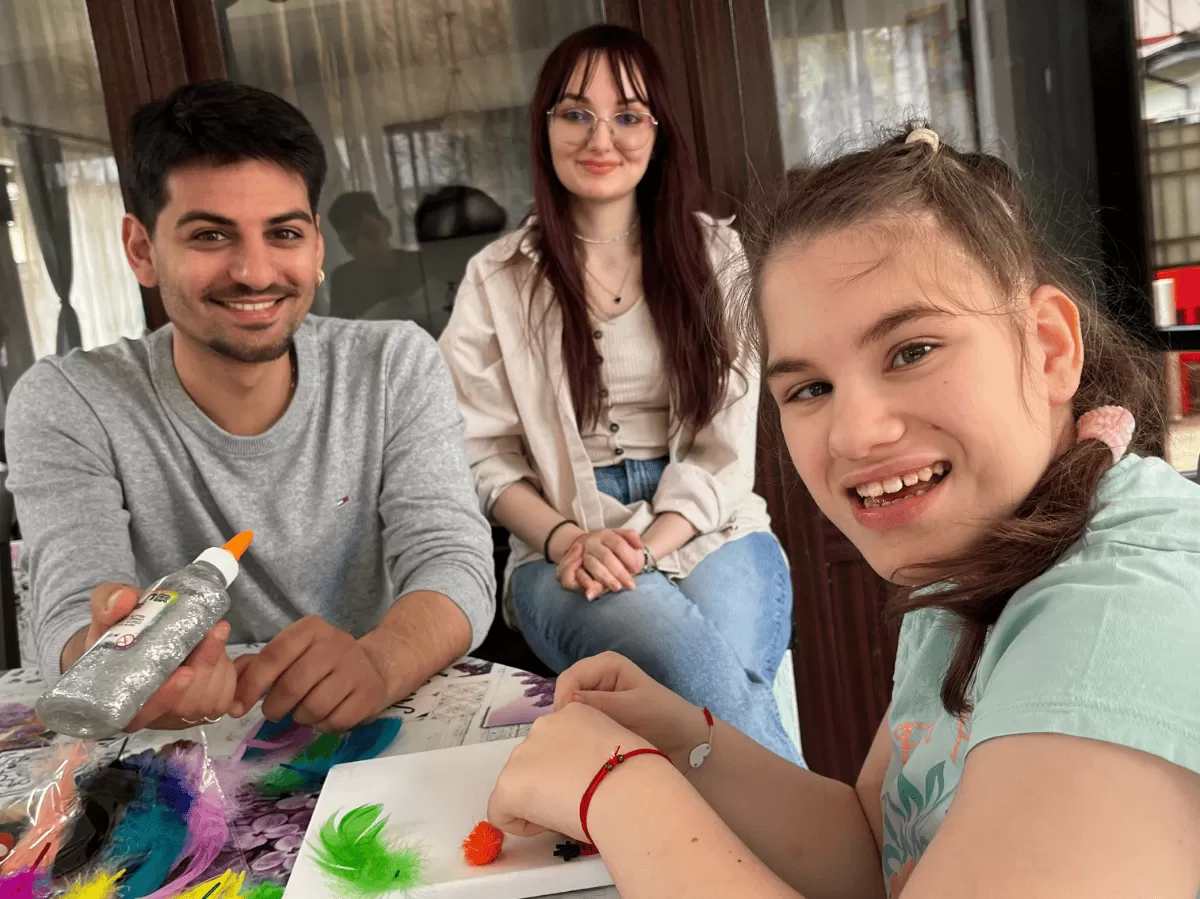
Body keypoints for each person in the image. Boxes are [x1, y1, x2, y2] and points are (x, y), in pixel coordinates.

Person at [484, 128, 1200, 898]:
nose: (856, 433)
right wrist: (683, 735)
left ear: (1052, 348)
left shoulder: (1123, 613)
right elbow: (870, 846)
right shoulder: (984, 553)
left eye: (912, 350)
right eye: (810, 389)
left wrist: (615, 790)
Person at [6, 81, 496, 734]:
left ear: (317, 246)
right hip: (163, 748)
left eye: (284, 232)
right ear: (141, 250)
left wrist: (378, 662)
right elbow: (70, 615)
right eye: (211, 235)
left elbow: (454, 562)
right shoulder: (68, 400)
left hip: (370, 725)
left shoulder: (393, 364)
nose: (256, 272)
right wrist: (106, 662)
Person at [438, 24, 799, 763]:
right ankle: (830, 861)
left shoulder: (715, 254)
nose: (601, 136)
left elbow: (728, 449)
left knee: (714, 679)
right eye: (575, 113)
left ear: (657, 131)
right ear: (545, 130)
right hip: (561, 545)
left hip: (708, 523)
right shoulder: (497, 277)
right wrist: (572, 538)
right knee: (700, 671)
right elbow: (483, 457)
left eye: (628, 115)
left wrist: (644, 545)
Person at [325, 191, 426, 324]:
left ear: (387, 226)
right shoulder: (344, 280)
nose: (364, 245)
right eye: (352, 240)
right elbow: (338, 334)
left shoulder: (419, 263)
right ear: (345, 246)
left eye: (369, 232)